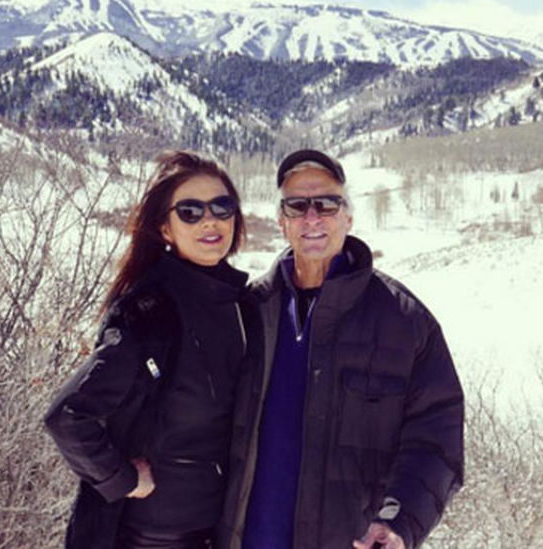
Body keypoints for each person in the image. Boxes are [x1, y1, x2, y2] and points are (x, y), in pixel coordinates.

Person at [218, 150, 464, 549]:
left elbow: (436, 440)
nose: (312, 218)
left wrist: (399, 520)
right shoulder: (249, 312)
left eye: (327, 204)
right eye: (297, 206)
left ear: (348, 217)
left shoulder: (404, 322)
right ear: (282, 221)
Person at [45, 150, 256, 549]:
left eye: (221, 207)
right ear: (165, 229)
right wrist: (121, 478)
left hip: (218, 532)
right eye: (190, 211)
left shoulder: (243, 305)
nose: (209, 220)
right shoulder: (150, 312)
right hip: (153, 538)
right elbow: (68, 416)